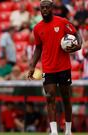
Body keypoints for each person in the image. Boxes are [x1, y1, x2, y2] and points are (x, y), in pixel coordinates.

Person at [27, 0, 83, 135]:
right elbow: (38, 48)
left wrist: (79, 45)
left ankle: (68, 131)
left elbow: (76, 34)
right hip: (48, 68)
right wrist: (32, 66)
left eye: (47, 7)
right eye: (42, 8)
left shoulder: (62, 22)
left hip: (63, 67)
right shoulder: (37, 28)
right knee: (50, 97)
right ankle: (53, 131)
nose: (44, 10)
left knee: (66, 98)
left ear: (52, 8)